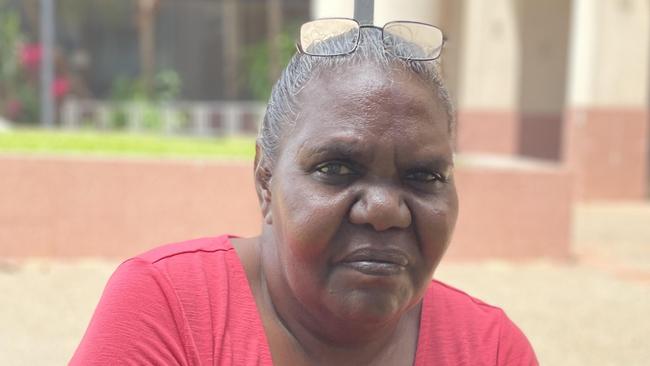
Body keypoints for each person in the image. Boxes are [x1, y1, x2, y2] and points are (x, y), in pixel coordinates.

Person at [71, 19, 538, 365]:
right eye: (336, 168)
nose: (384, 211)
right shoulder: (169, 307)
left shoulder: (490, 349)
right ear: (265, 180)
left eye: (425, 176)